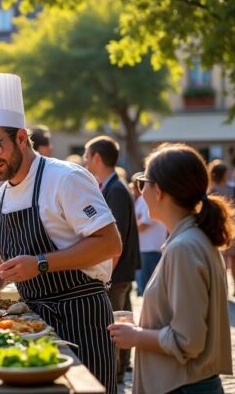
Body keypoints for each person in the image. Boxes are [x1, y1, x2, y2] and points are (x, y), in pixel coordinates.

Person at [0, 73, 121, 393]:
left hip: (83, 319)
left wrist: (41, 262)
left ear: (22, 138)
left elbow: (109, 243)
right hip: (31, 326)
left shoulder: (65, 178)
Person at [109, 143, 235, 394]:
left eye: (142, 181)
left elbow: (188, 340)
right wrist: (145, 326)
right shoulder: (191, 239)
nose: (140, 191)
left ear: (160, 190)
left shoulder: (184, 247)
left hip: (182, 386)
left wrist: (136, 336)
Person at [83, 136, 140, 384]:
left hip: (116, 272)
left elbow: (114, 240)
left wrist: (106, 275)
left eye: (87, 156)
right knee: (121, 317)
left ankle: (115, 372)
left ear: (97, 157)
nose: (85, 161)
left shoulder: (115, 189)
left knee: (114, 322)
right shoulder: (112, 186)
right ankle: (120, 367)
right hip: (119, 271)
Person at [208, 160, 235, 296]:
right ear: (224, 174)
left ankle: (227, 289)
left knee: (224, 260)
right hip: (230, 228)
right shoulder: (231, 189)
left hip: (221, 228)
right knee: (230, 259)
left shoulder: (212, 191)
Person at [131, 172, 167, 297]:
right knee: (145, 289)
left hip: (151, 248)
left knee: (149, 290)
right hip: (146, 248)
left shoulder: (145, 200)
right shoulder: (141, 200)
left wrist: (132, 224)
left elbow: (143, 224)